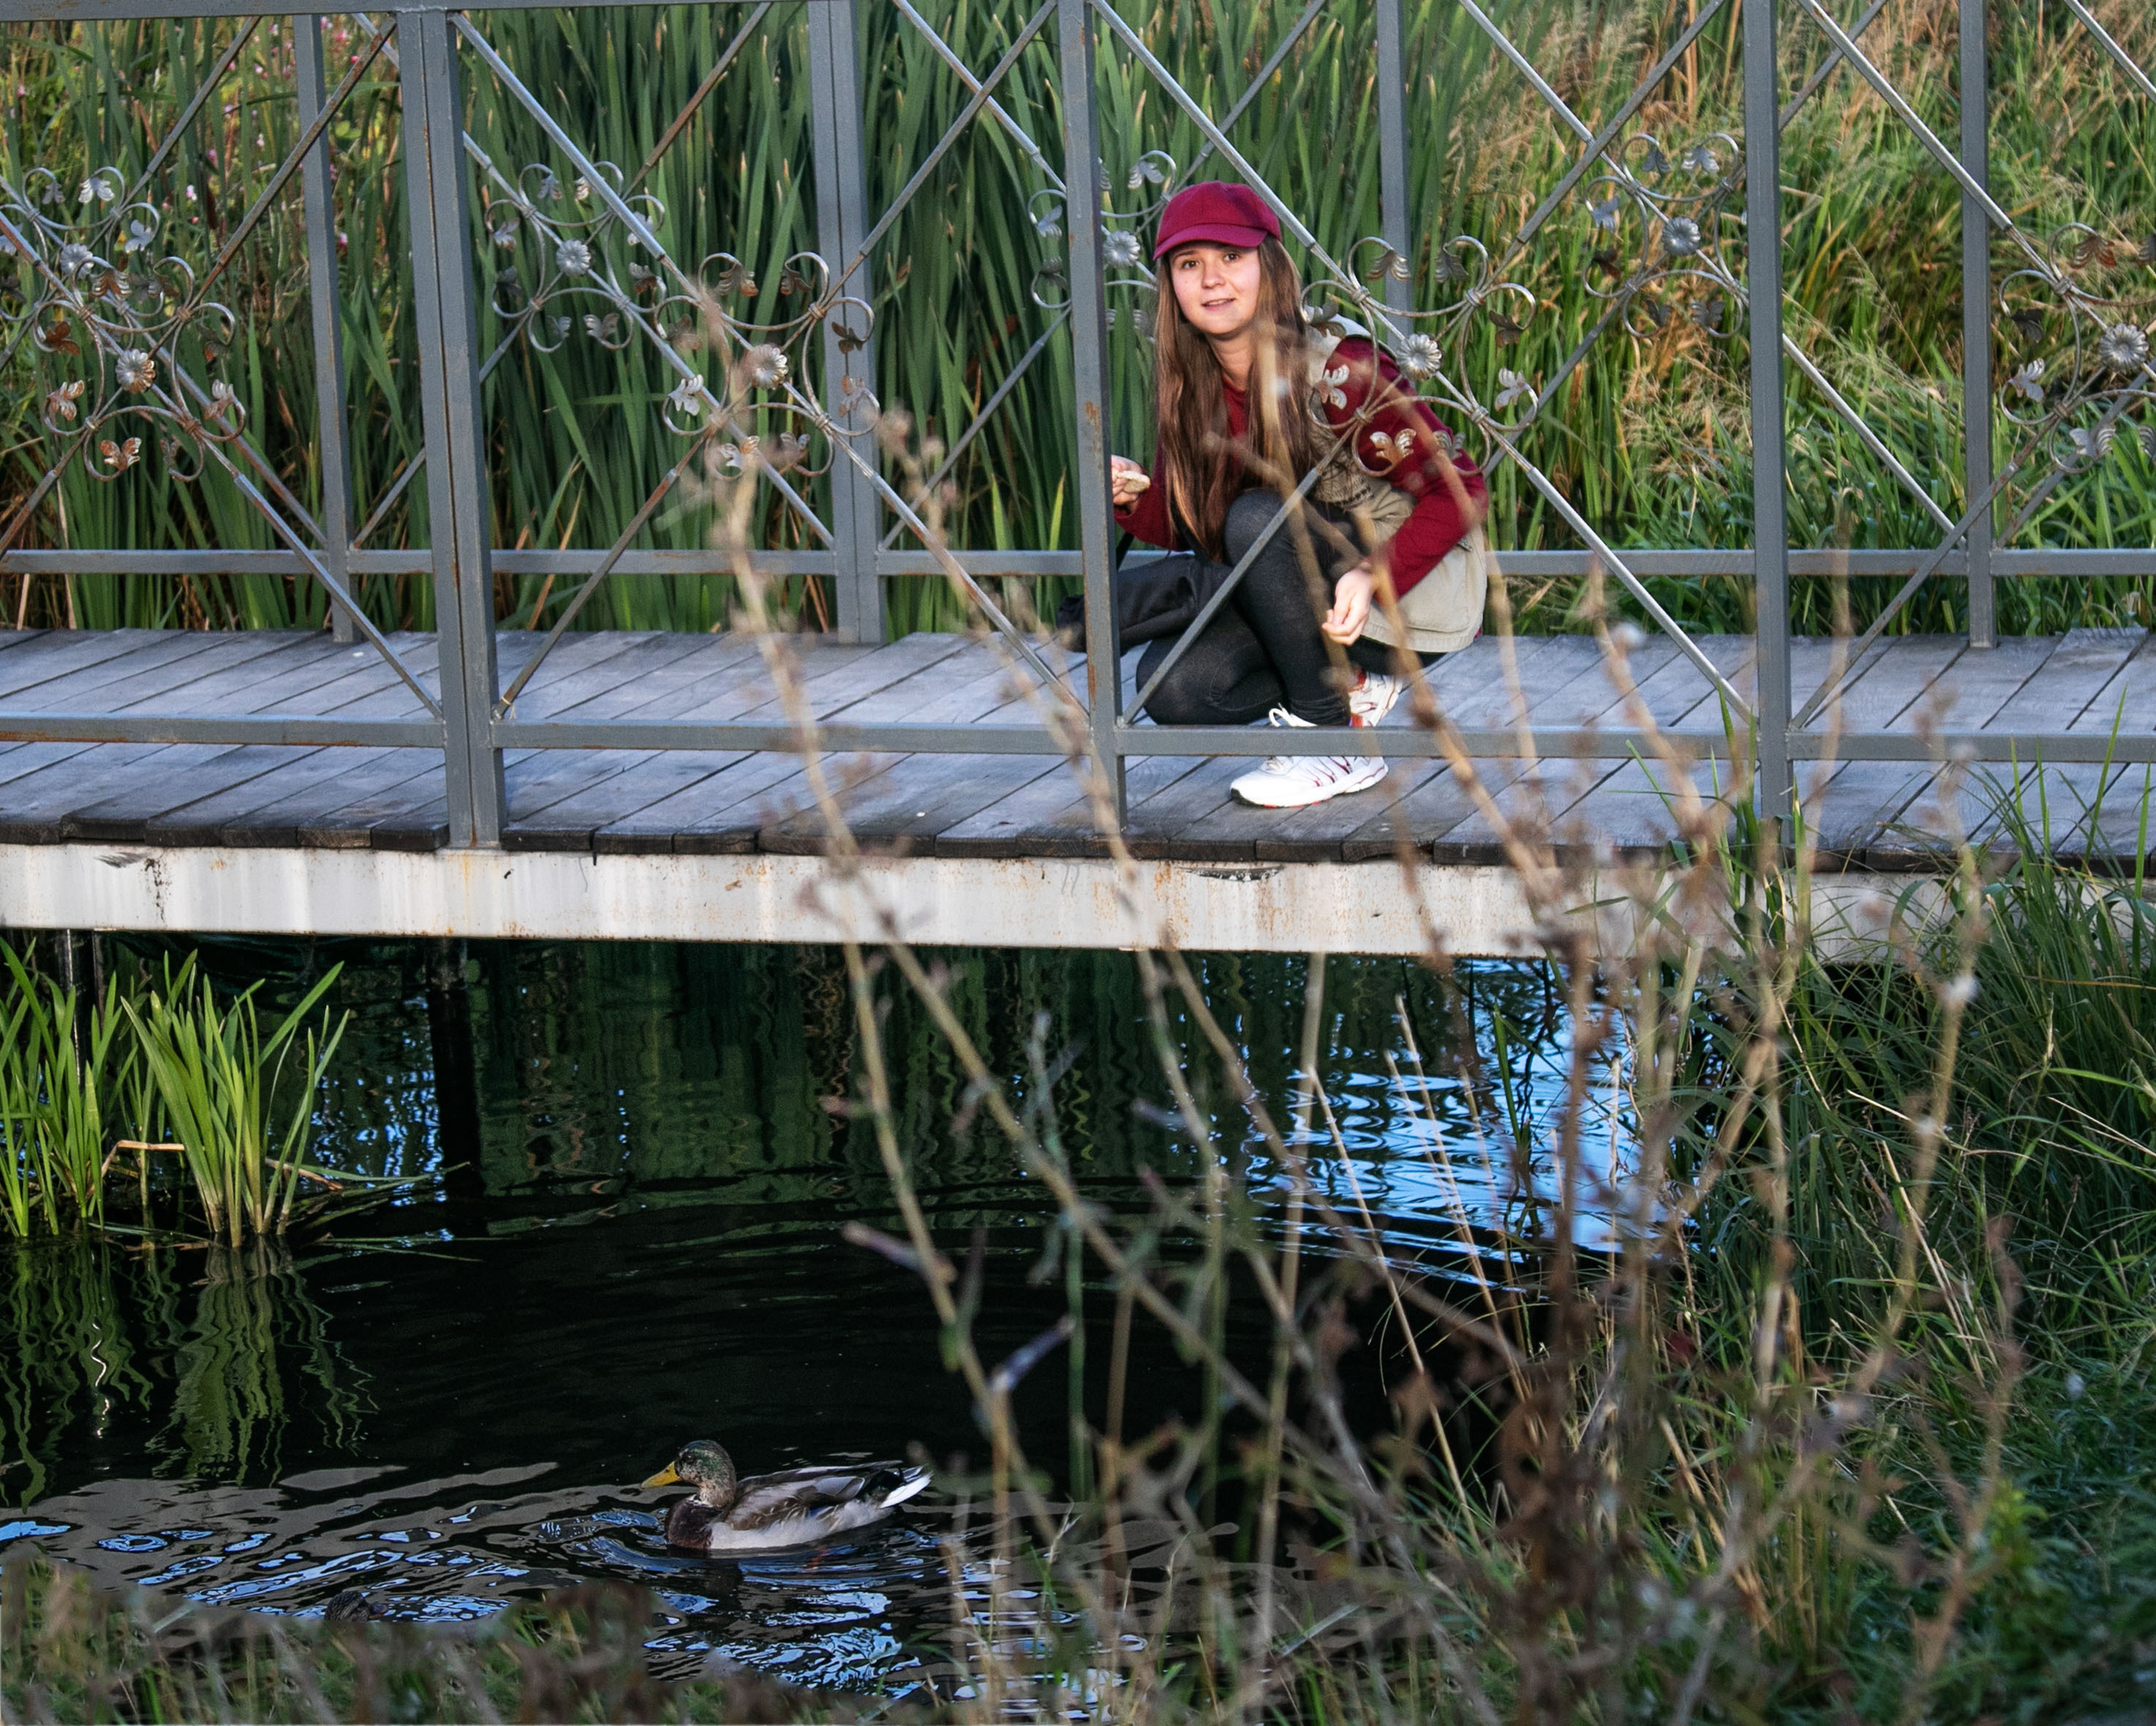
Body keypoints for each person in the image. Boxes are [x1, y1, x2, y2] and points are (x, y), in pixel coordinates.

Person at [1108, 181, 1489, 809]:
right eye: (1189, 264)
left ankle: (1332, 738)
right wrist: (1133, 498)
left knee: (1258, 516)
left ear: (1271, 266)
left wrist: (1373, 573)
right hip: (1307, 592)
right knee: (1174, 687)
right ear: (1170, 285)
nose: (1212, 281)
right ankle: (1348, 689)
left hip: (1403, 591)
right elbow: (1197, 527)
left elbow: (1461, 490)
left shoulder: (1340, 372)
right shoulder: (1194, 387)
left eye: (1231, 257)